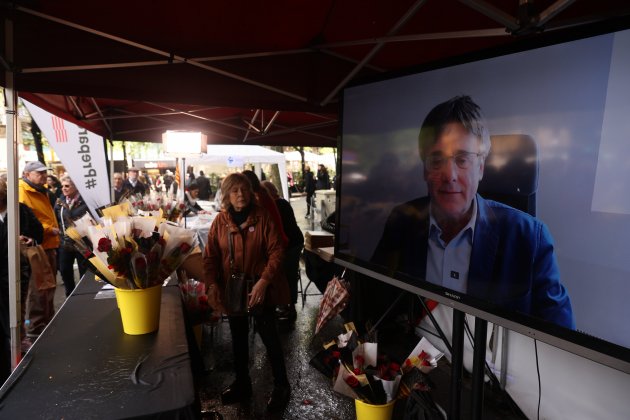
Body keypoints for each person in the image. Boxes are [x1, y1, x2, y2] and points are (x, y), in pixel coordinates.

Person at [372, 95, 574, 329]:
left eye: (462, 159)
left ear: (481, 167)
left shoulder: (531, 238)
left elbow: (560, 337)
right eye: (437, 160)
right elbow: (374, 304)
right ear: (425, 170)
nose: (450, 175)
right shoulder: (402, 221)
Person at [202, 172, 291, 412]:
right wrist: (211, 284)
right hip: (233, 289)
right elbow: (210, 257)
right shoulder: (219, 222)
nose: (240, 194)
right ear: (227, 196)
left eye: (243, 189)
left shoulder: (262, 218)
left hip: (260, 287)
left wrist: (264, 281)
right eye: (234, 191)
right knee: (238, 338)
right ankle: (243, 383)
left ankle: (282, 386)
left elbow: (277, 251)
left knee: (269, 336)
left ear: (250, 192)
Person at [0, 176, 43, 381]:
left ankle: (19, 339)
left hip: (17, 270)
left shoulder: (20, 210)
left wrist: (27, 239)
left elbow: (38, 234)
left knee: (16, 307)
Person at [18, 161, 60, 342]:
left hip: (49, 244)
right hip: (37, 245)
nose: (43, 176)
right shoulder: (23, 191)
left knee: (48, 285)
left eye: (44, 172)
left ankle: (48, 321)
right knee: (39, 288)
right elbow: (25, 219)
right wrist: (49, 229)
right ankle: (36, 328)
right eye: (39, 173)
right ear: (27, 174)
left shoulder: (41, 190)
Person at [261, 180, 304, 322]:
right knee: (286, 274)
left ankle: (290, 307)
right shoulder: (281, 202)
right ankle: (285, 305)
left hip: (292, 244)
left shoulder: (278, 204)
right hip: (292, 242)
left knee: (289, 274)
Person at [55, 176, 89, 297]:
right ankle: (70, 294)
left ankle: (84, 295)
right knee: (64, 270)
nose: (63, 188)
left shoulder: (85, 201)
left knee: (83, 271)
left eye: (67, 186)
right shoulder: (60, 200)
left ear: (75, 187)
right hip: (65, 242)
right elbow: (57, 218)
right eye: (62, 186)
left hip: (82, 242)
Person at [242, 170, 288, 247]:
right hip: (276, 238)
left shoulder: (259, 197)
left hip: (274, 240)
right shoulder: (262, 192)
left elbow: (254, 220)